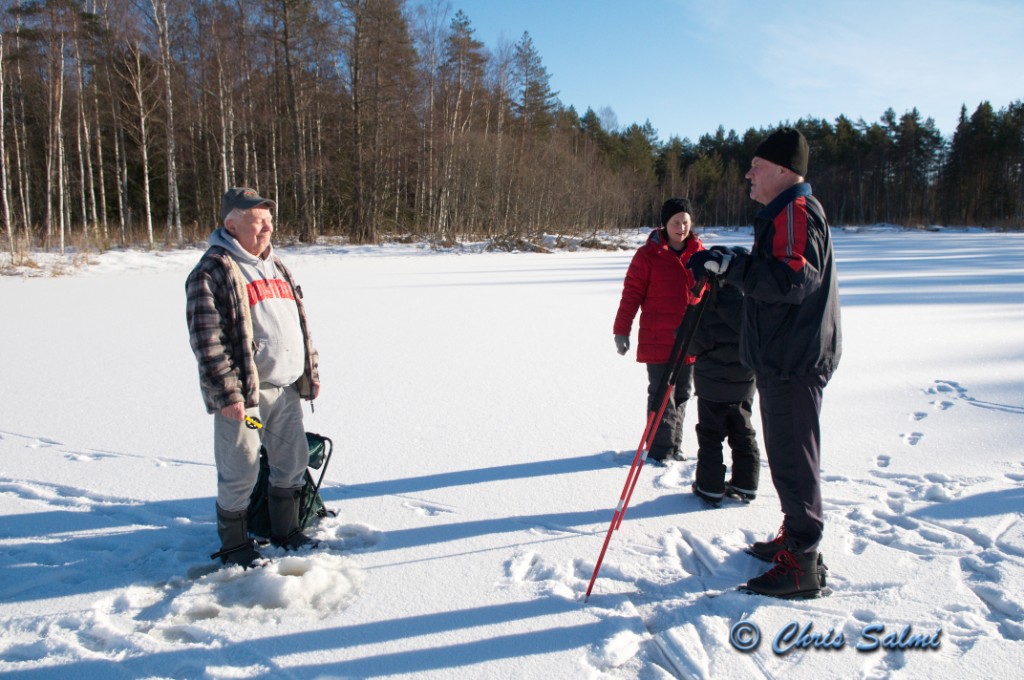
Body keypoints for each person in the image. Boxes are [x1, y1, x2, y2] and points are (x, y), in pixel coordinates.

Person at [688, 128, 842, 598]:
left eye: (756, 166)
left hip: (793, 359)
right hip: (785, 355)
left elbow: (793, 278)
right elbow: (776, 268)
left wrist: (733, 269)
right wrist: (730, 259)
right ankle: (795, 538)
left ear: (782, 170)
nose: (748, 174)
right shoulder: (783, 213)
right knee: (788, 454)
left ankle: (802, 563)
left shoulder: (795, 210)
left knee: (793, 457)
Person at [186, 187, 321, 567]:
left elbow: (298, 324)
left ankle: (286, 531)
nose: (267, 228)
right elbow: (207, 341)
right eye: (257, 221)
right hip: (248, 398)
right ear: (232, 226)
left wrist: (310, 370)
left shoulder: (277, 265)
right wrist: (227, 393)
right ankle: (234, 546)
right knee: (241, 467)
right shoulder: (213, 270)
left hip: (287, 391)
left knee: (291, 461)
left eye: (269, 221)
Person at [614, 198, 704, 464]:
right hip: (658, 339)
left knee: (683, 393)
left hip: (690, 340)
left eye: (685, 222)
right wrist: (621, 330)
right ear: (665, 224)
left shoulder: (700, 255)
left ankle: (675, 444)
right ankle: (660, 451)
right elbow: (631, 295)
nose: (681, 228)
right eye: (676, 222)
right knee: (662, 395)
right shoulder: (648, 255)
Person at [688, 245, 760, 508]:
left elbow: (690, 342)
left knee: (710, 436)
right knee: (743, 434)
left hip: (711, 386)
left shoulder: (708, 307)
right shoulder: (754, 308)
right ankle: (745, 483)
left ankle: (710, 488)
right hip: (744, 384)